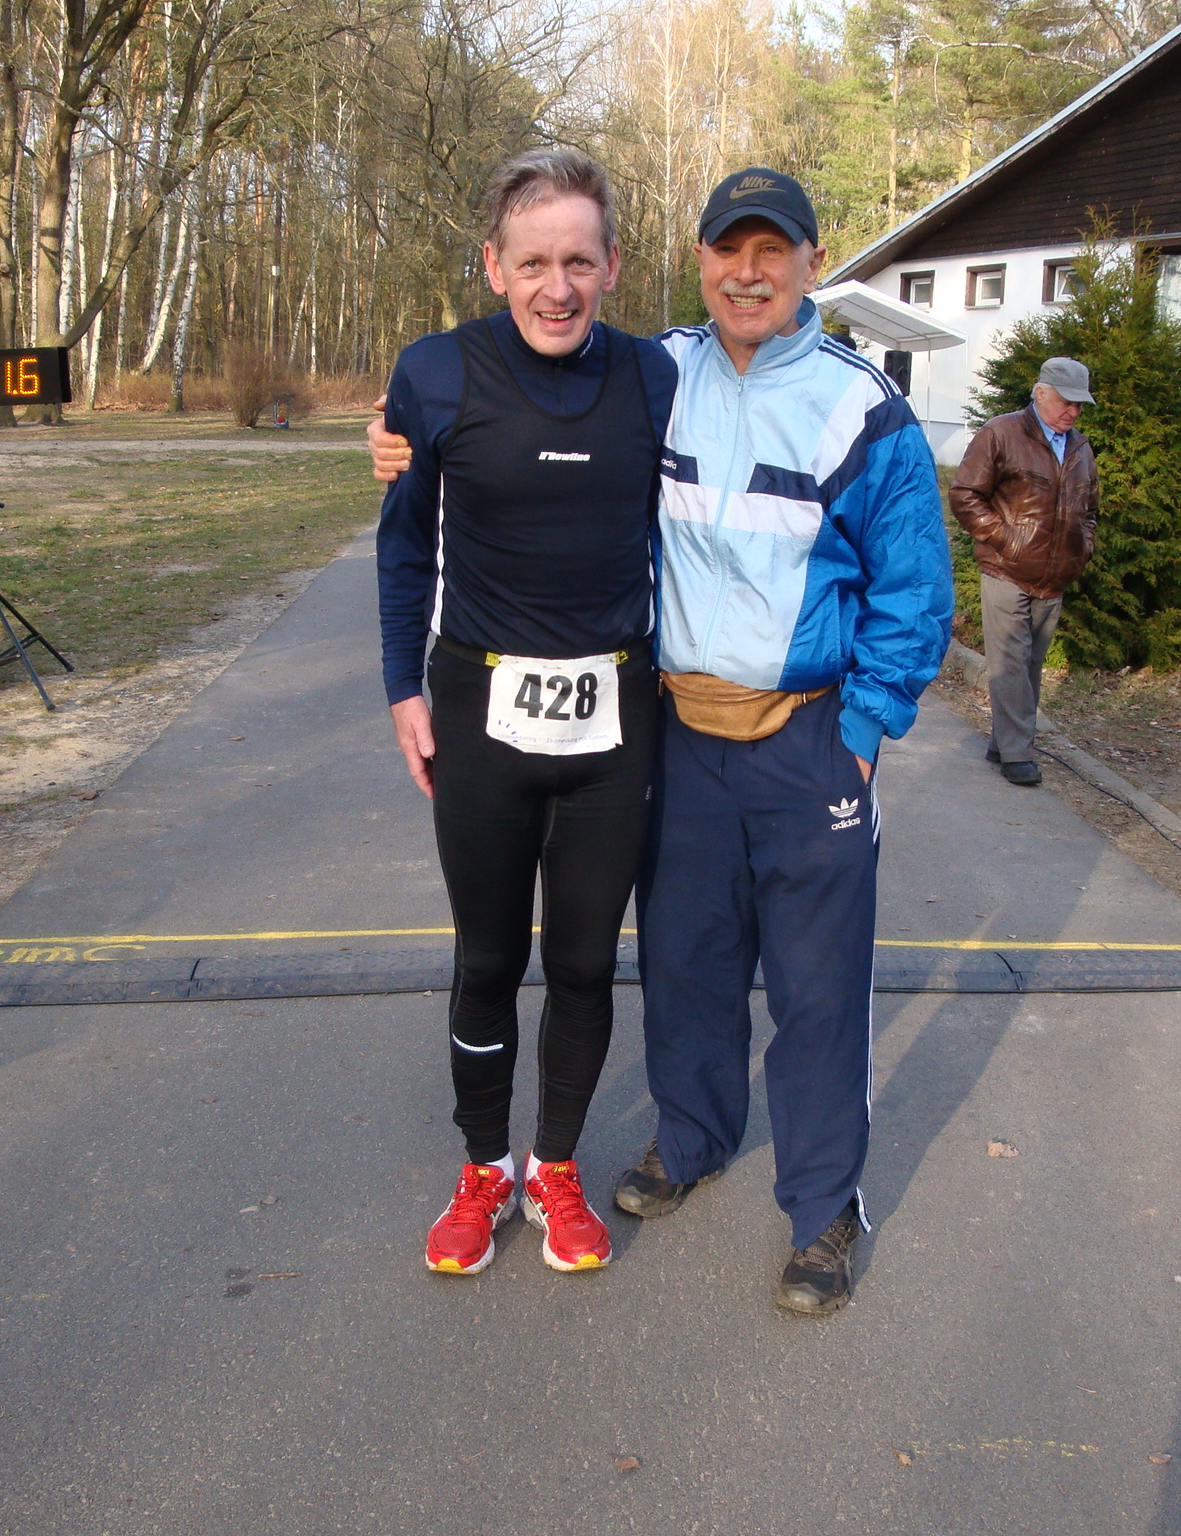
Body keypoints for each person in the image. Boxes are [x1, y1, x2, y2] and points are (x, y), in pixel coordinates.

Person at [374, 167, 952, 1314]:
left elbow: (913, 588)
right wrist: (398, 441)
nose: (749, 273)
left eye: (772, 251)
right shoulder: (661, 373)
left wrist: (864, 730)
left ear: (809, 261)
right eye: (728, 250)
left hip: (808, 739)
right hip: (679, 730)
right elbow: (528, 400)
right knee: (685, 963)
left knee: (815, 991)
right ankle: (689, 1139)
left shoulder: (863, 408)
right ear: (697, 263)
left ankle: (822, 1210)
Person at [376, 148, 677, 1277]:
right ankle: (482, 1169)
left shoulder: (656, 376)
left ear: (613, 266)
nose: (559, 288)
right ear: (493, 265)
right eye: (535, 262)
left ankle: (554, 1166)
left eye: (580, 263)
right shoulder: (434, 373)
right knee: (490, 957)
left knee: (589, 962)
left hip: (614, 717)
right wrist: (401, 688)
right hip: (480, 708)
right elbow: (403, 544)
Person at [946, 357, 1099, 787]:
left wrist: (1082, 549)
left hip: (1055, 576)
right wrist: (1006, 540)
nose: (1073, 412)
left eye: (1080, 405)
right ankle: (1017, 754)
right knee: (1010, 662)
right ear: (1041, 393)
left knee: (1030, 664)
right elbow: (964, 494)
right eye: (1067, 402)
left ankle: (1003, 742)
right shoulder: (1002, 432)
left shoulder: (1081, 449)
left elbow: (1090, 510)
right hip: (1006, 569)